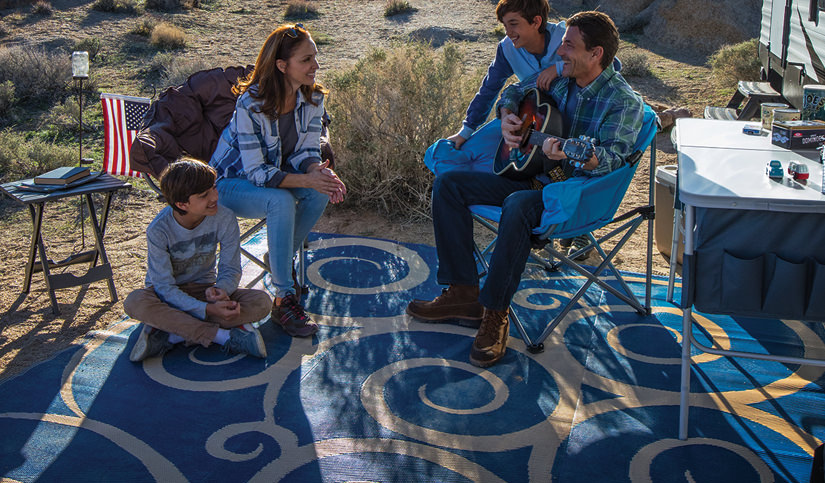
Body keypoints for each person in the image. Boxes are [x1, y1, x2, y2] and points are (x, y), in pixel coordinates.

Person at [407, 11, 645, 368]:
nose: (559, 51)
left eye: (568, 45)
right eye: (562, 42)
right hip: (530, 178)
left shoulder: (623, 102)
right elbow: (514, 90)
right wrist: (507, 117)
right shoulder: (561, 79)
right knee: (449, 184)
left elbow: (614, 159)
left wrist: (574, 154)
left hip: (573, 196)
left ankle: (495, 314)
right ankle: (463, 292)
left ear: (596, 54)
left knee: (518, 204)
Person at [210, 24, 346, 338]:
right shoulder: (252, 103)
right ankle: (284, 296)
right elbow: (257, 173)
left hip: (271, 179)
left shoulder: (313, 98)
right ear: (282, 65)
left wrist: (318, 172)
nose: (316, 66)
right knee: (281, 199)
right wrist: (306, 179)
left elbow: (307, 150)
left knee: (319, 193)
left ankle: (279, 259)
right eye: (306, 59)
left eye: (316, 57)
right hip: (230, 183)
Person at [124, 160, 273, 362]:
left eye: (213, 188)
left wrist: (222, 290)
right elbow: (164, 287)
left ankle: (170, 333)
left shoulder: (225, 217)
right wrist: (208, 311)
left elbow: (230, 267)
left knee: (261, 302)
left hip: (205, 290)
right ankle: (224, 337)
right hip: (165, 296)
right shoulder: (158, 230)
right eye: (203, 195)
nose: (214, 197)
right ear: (182, 204)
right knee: (134, 302)